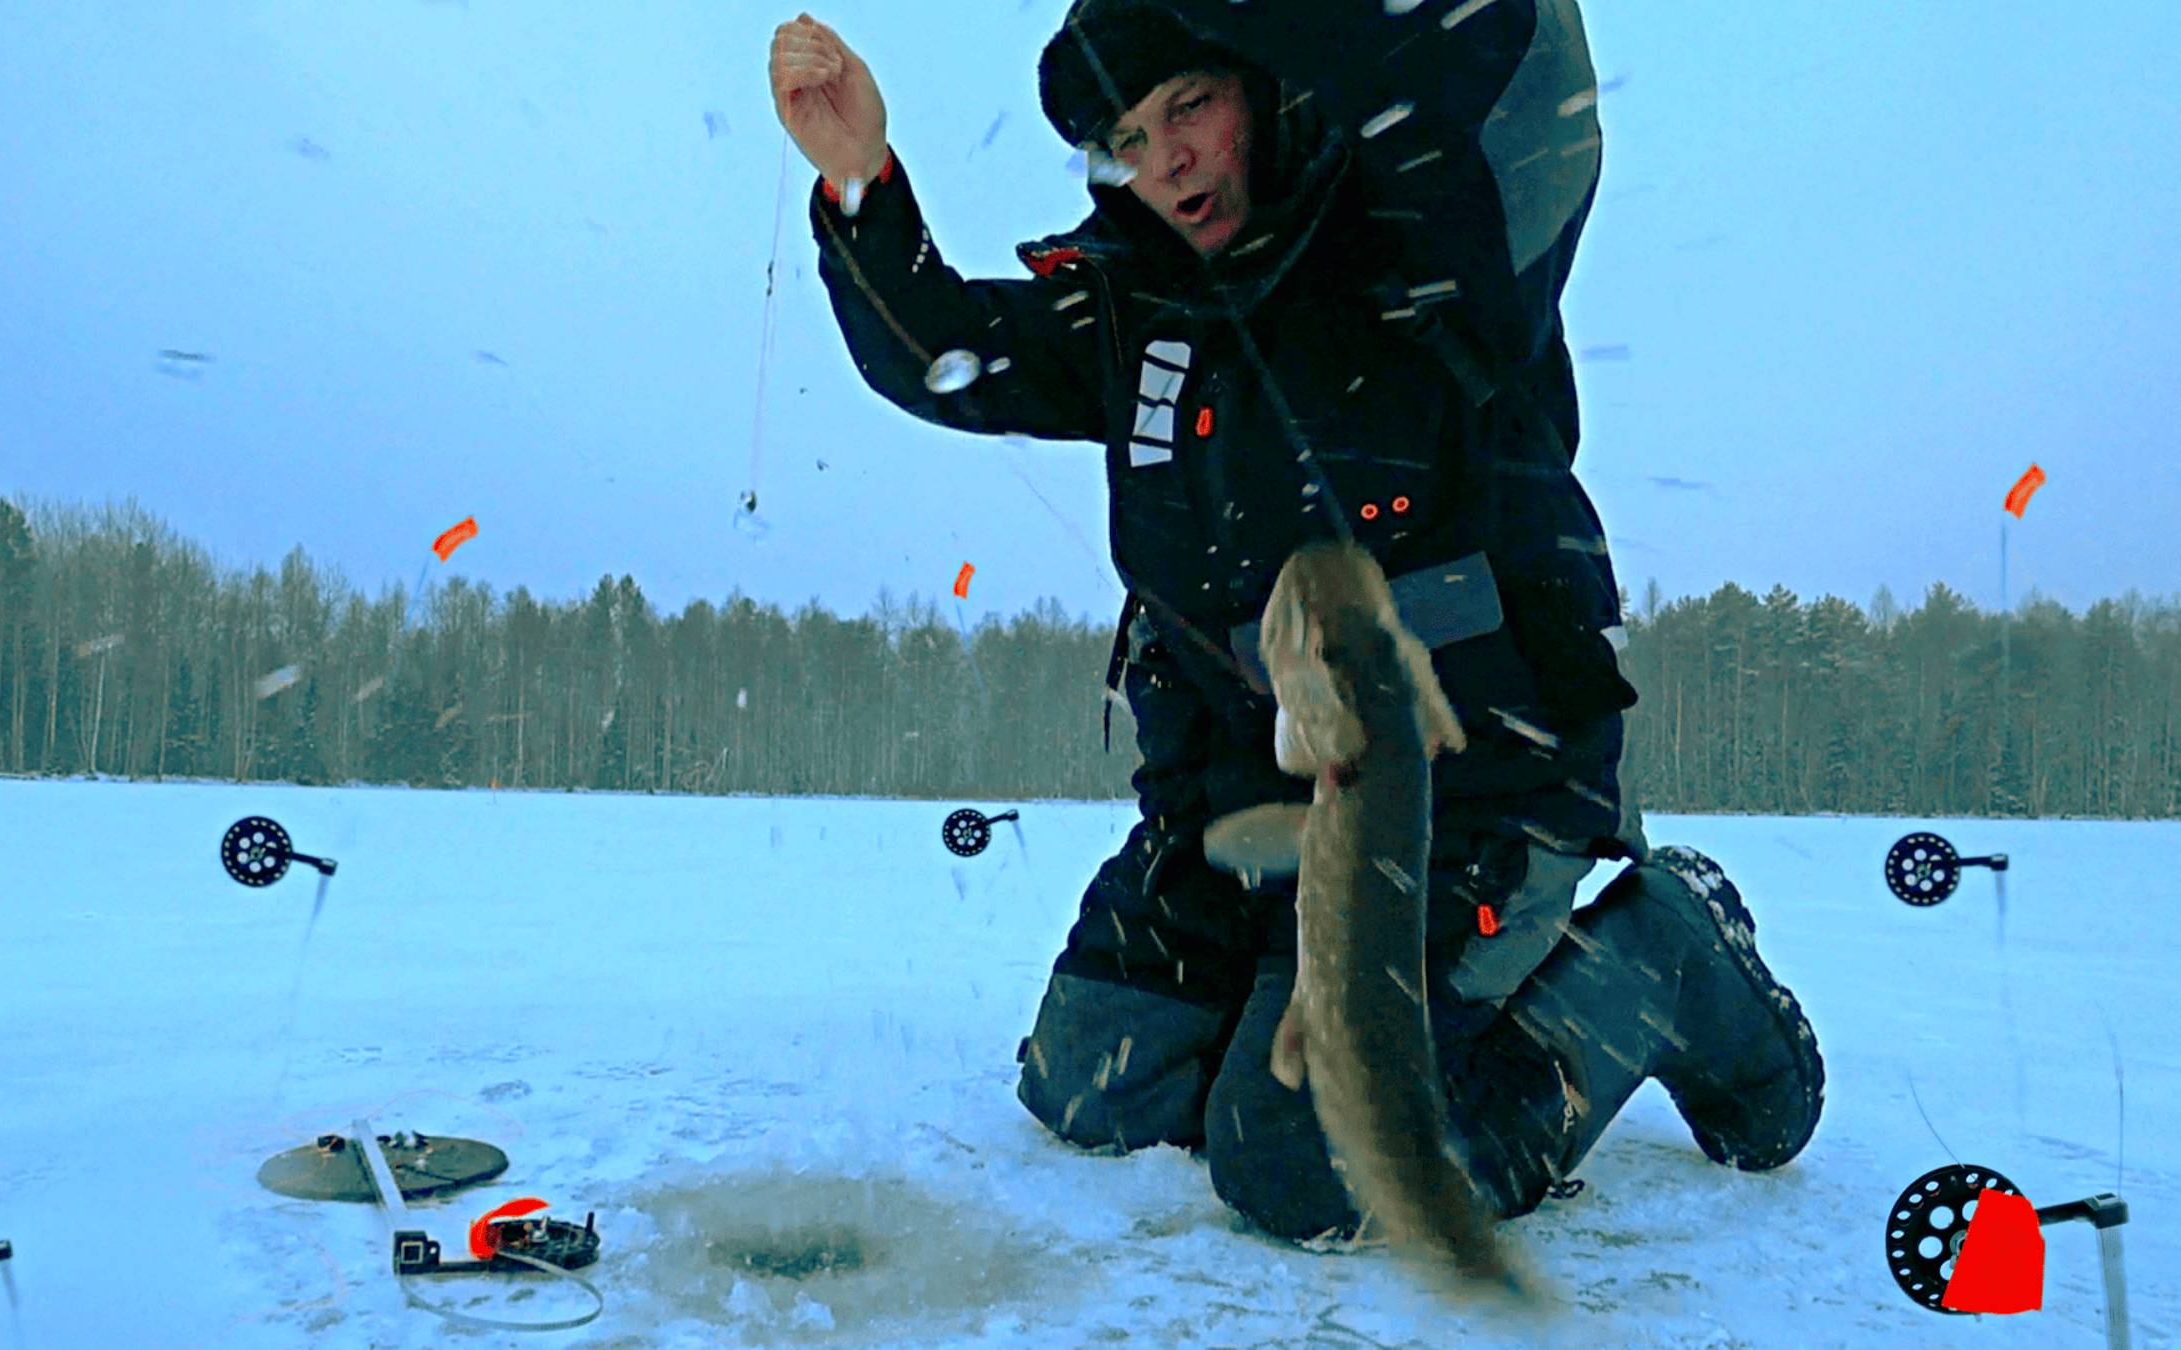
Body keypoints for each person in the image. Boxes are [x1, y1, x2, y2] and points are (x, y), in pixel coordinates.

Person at [768, 1, 1824, 1240]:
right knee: (1096, 1085)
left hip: (1462, 800)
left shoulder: (1431, 250)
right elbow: (942, 352)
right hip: (1241, 810)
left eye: (1190, 108)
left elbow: (1503, 61)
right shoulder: (1134, 310)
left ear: (1263, 92)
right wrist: (859, 181)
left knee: (1309, 1166)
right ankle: (1298, 1000)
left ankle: (1655, 963)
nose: (1164, 158)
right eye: (1127, 137)